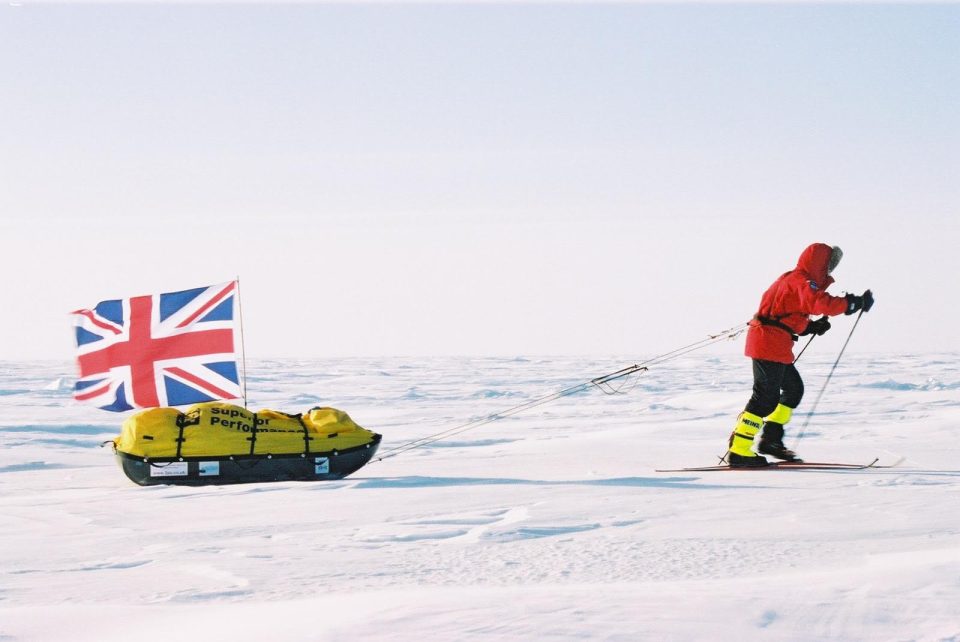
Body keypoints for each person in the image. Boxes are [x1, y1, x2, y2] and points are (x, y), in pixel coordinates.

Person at [726, 243, 874, 467]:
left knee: (794, 389)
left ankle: (771, 440)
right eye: (829, 263)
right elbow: (818, 303)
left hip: (775, 342)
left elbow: (786, 312)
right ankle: (739, 451)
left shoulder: (797, 280)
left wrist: (809, 328)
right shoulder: (801, 280)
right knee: (765, 399)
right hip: (768, 342)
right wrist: (852, 303)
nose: (830, 269)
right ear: (818, 262)